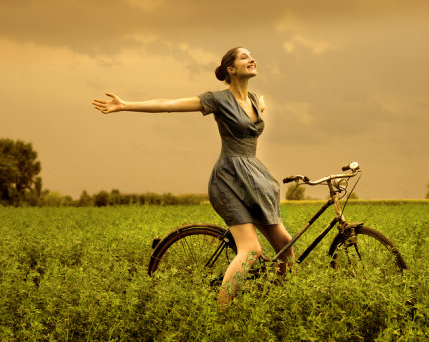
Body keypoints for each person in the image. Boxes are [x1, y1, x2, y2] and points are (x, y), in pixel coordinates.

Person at [92, 47, 294, 305]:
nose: (252, 59)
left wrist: (261, 106)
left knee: (285, 246)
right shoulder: (218, 99)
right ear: (231, 70)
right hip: (230, 179)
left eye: (252, 55)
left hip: (256, 177)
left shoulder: (255, 99)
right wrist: (125, 105)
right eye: (244, 57)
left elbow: (254, 116)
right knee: (251, 251)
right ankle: (221, 314)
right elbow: (169, 105)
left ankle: (272, 301)